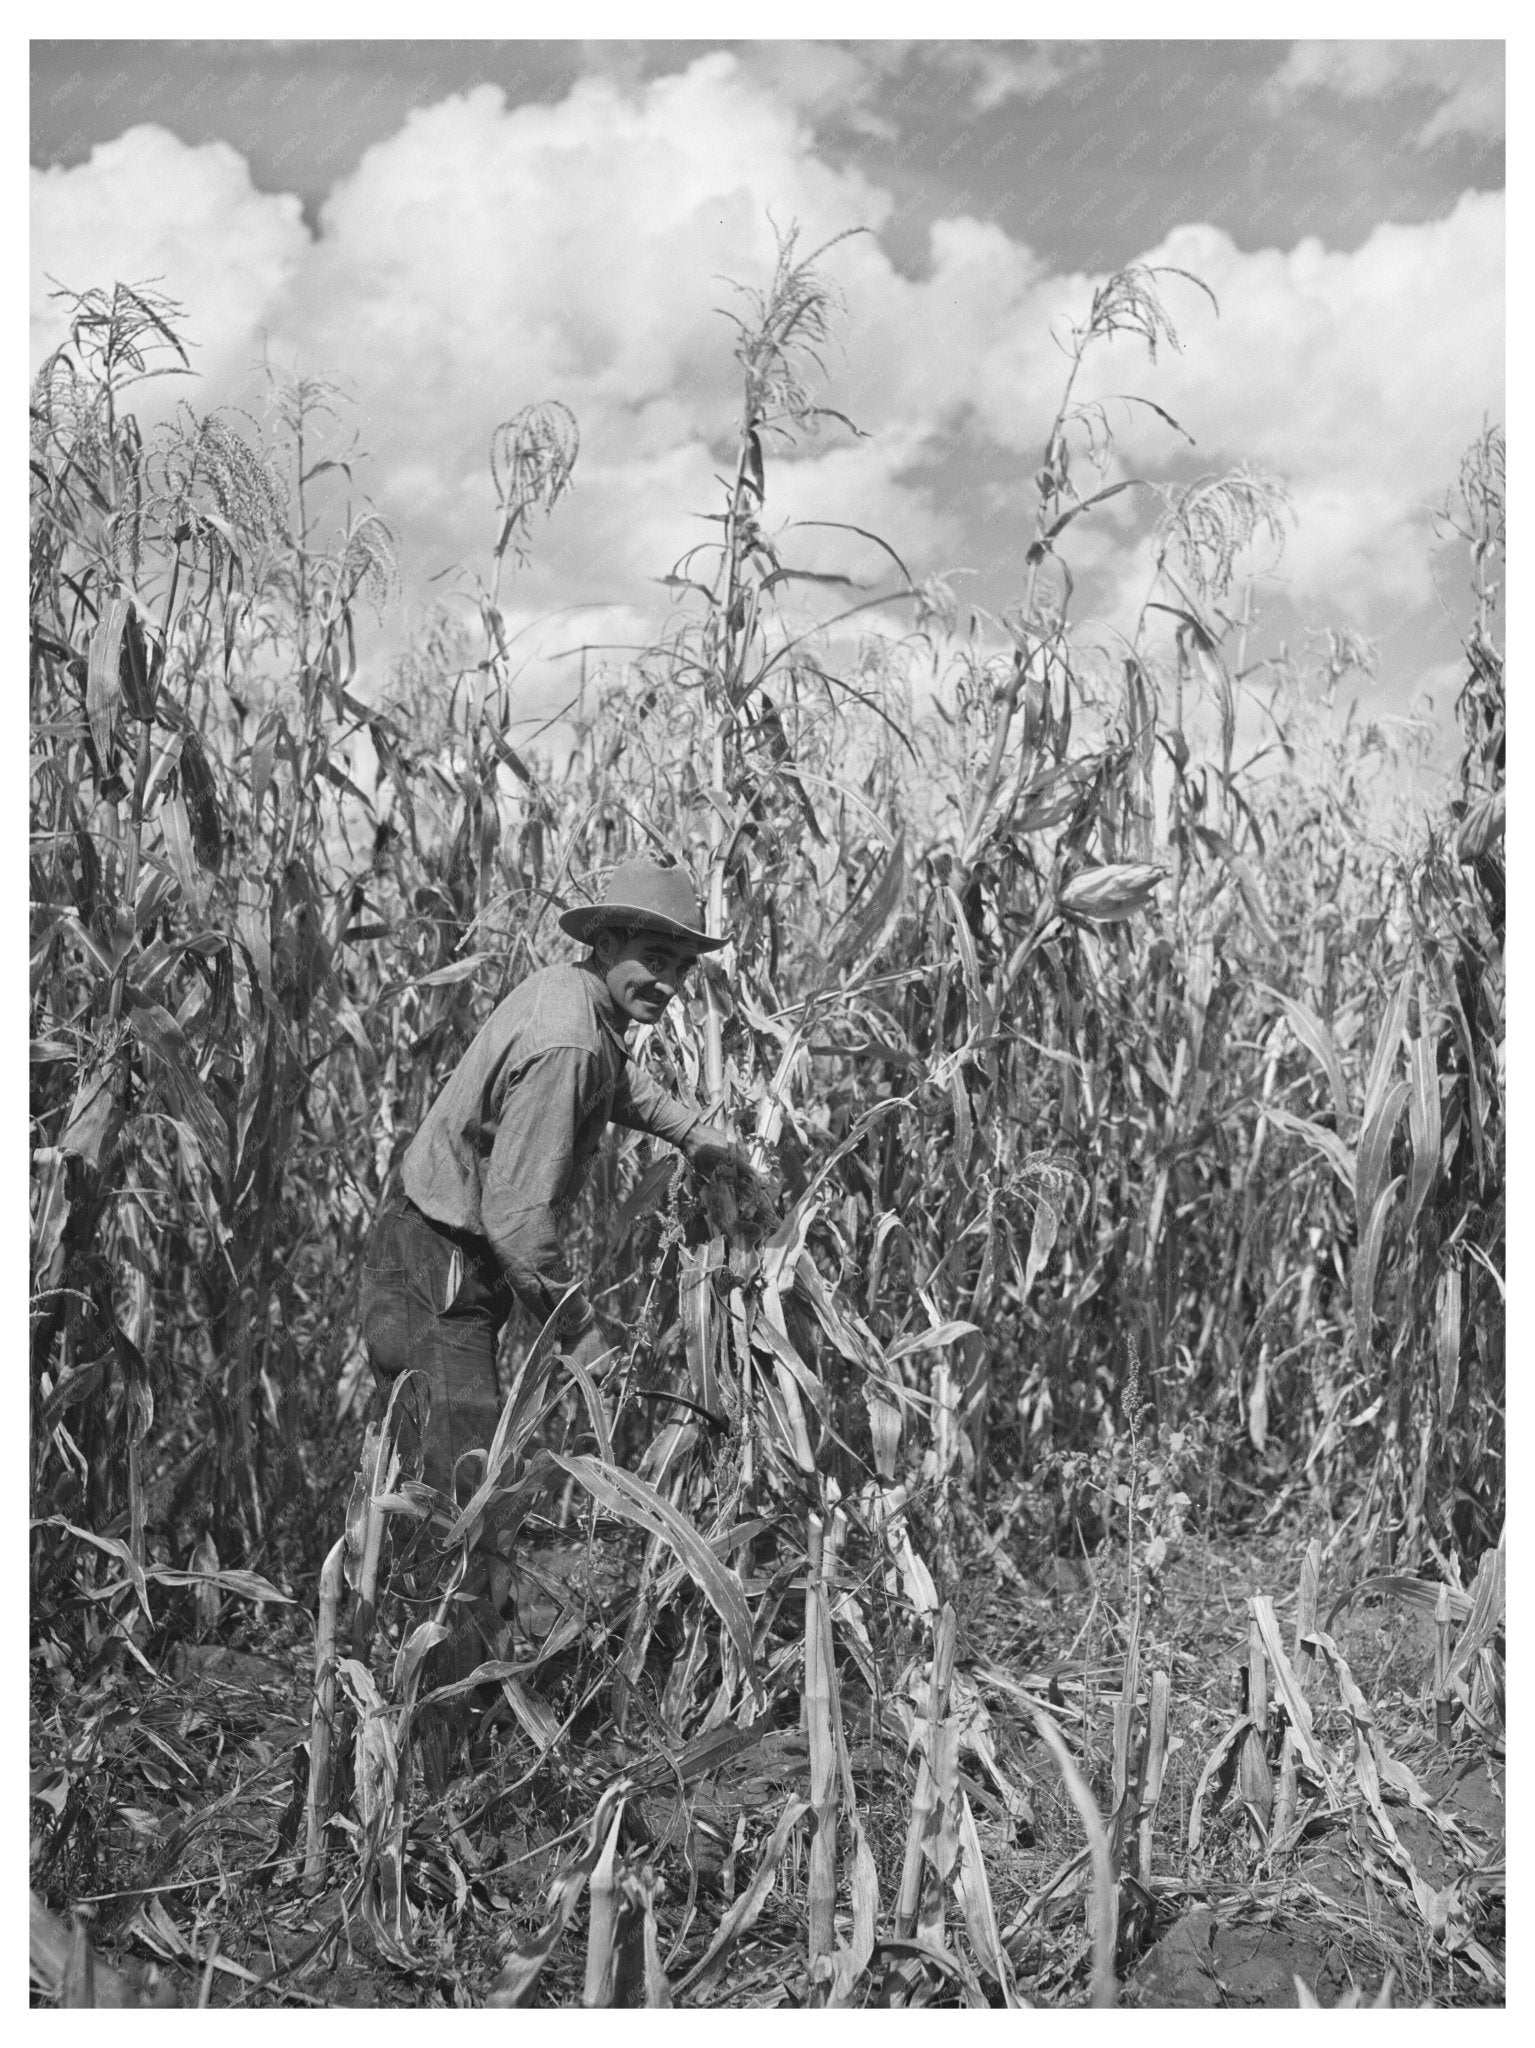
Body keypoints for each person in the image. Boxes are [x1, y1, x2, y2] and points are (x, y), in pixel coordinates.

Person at [359, 854, 741, 1504]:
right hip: (437, 1266)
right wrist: (576, 1327)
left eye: (681, 966)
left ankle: (426, 1594)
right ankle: (468, 1602)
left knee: (442, 1477)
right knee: (469, 1492)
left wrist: (691, 1134)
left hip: (433, 1250)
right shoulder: (569, 1039)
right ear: (607, 942)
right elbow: (516, 1218)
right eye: (656, 958)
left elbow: (615, 1081)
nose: (670, 981)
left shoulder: (573, 994)